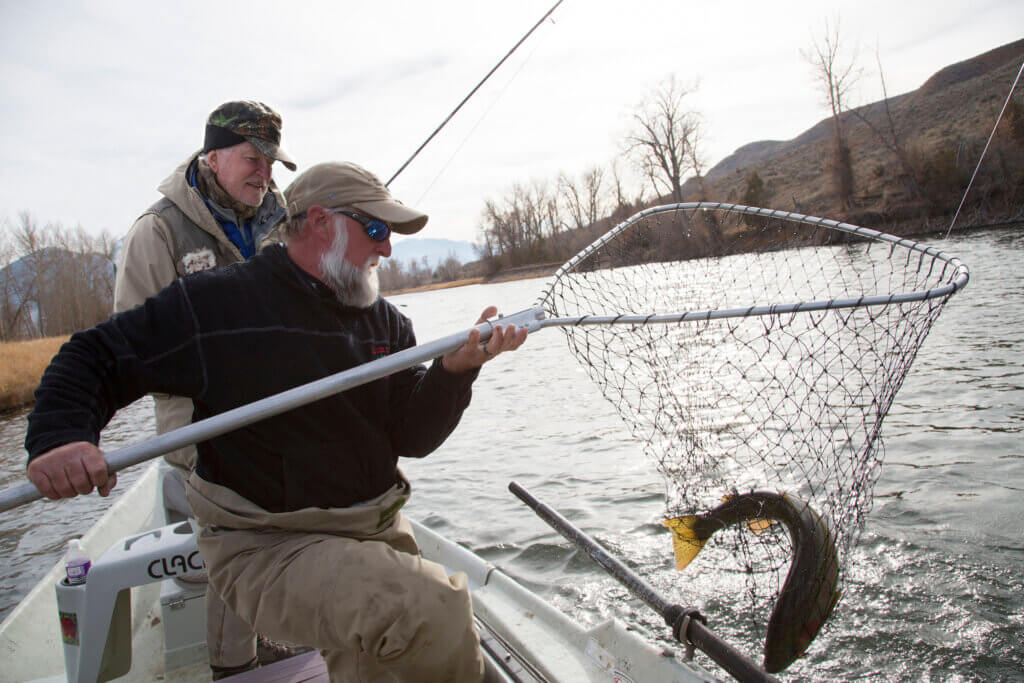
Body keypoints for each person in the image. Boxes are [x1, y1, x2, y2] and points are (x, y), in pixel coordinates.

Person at [25, 160, 528, 682]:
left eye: (390, 235)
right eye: (376, 229)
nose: (386, 248)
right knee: (430, 610)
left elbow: (412, 436)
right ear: (319, 223)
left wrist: (453, 373)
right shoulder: (221, 306)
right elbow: (95, 356)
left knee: (403, 660)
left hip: (371, 530)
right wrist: (61, 436)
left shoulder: (387, 325)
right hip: (266, 545)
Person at [113, 99, 298, 677]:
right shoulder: (157, 232)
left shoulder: (282, 217)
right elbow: (137, 344)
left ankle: (281, 627)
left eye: (271, 163)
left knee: (295, 517)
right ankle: (233, 665)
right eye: (252, 159)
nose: (264, 174)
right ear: (213, 156)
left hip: (279, 411)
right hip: (201, 422)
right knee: (237, 536)